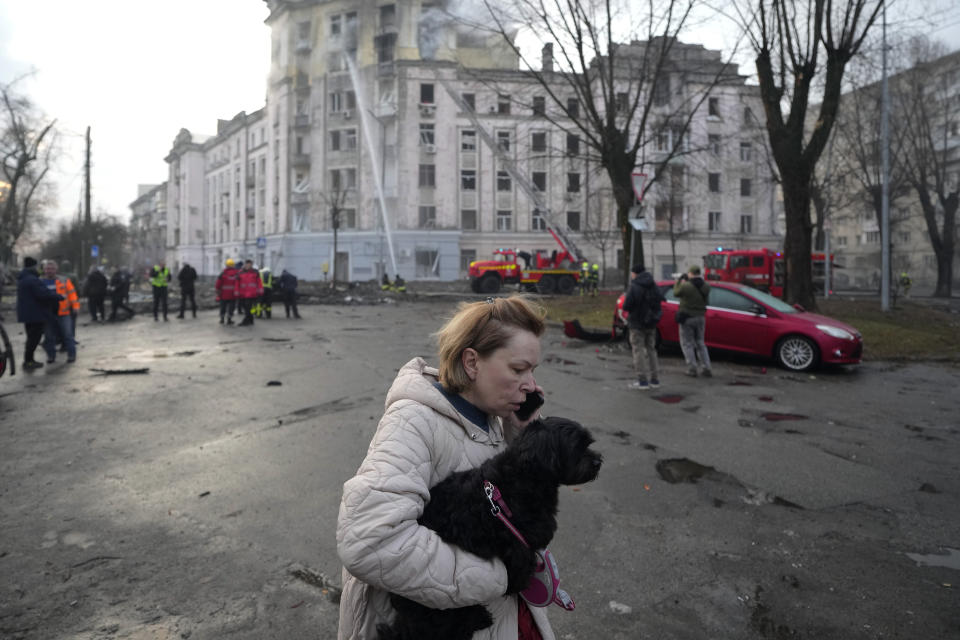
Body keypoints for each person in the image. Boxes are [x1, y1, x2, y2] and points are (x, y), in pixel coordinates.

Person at [336, 296, 553, 640]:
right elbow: (371, 540)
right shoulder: (414, 422)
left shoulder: (492, 420)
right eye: (518, 369)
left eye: (533, 370)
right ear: (471, 362)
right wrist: (498, 576)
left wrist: (523, 442)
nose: (531, 385)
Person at [15, 257, 62, 371]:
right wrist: (58, 296)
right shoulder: (32, 280)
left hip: (27, 313)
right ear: (33, 266)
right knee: (34, 338)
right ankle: (28, 361)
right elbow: (42, 294)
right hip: (35, 314)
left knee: (31, 337)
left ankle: (29, 360)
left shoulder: (23, 278)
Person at [622, 264, 664, 390]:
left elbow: (626, 306)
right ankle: (655, 379)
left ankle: (642, 381)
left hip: (637, 323)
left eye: (632, 273)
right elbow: (659, 302)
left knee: (638, 350)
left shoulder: (634, 287)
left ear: (635, 273)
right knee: (651, 350)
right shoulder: (653, 285)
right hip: (651, 323)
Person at [673, 265, 712, 377]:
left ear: (690, 273)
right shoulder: (706, 286)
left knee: (687, 344)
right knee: (700, 343)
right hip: (700, 317)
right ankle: (706, 367)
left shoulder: (686, 286)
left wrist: (678, 281)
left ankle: (692, 368)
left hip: (687, 317)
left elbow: (676, 292)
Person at [39, 260, 78, 364]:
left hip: (63, 313)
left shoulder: (64, 280)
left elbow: (72, 294)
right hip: (47, 314)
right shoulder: (40, 282)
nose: (49, 271)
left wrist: (75, 306)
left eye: (52, 269)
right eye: (47, 269)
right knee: (49, 337)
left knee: (68, 335)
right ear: (44, 270)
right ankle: (51, 356)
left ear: (56, 270)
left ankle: (71, 355)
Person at [235, 259, 263, 326]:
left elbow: (259, 282)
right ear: (244, 264)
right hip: (242, 293)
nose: (248, 265)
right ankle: (251, 320)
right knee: (244, 307)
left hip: (251, 294)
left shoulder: (255, 272)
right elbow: (237, 283)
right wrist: (236, 291)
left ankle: (245, 321)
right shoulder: (240, 273)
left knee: (248, 307)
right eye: (247, 264)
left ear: (251, 265)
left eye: (249, 264)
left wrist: (260, 290)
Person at [215, 259, 240, 324]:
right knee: (231, 307)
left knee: (223, 307)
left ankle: (222, 319)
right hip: (233, 294)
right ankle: (229, 319)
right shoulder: (237, 273)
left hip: (223, 294)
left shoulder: (223, 273)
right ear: (233, 265)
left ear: (226, 265)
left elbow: (218, 284)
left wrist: (217, 292)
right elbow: (239, 283)